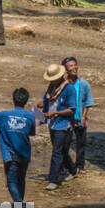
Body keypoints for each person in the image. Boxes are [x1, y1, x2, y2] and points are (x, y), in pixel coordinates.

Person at [0, 88, 37, 202]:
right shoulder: (30, 116)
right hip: (25, 153)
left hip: (11, 154)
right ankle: (19, 207)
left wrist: (1, 125)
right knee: (21, 180)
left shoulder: (3, 115)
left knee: (11, 181)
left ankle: (19, 204)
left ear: (13, 100)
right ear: (26, 101)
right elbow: (31, 132)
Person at [41, 62, 77, 190]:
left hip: (63, 125)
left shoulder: (69, 89)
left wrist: (55, 113)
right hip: (52, 124)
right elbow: (47, 100)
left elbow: (72, 109)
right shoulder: (51, 88)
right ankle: (73, 169)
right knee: (61, 150)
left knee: (56, 152)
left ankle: (54, 180)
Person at [64, 56, 94, 175]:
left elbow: (88, 102)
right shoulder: (63, 84)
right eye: (70, 66)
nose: (74, 68)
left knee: (80, 144)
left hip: (79, 118)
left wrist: (83, 116)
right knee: (65, 144)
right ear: (65, 69)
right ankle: (67, 166)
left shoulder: (84, 84)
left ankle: (80, 166)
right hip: (67, 119)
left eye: (75, 65)